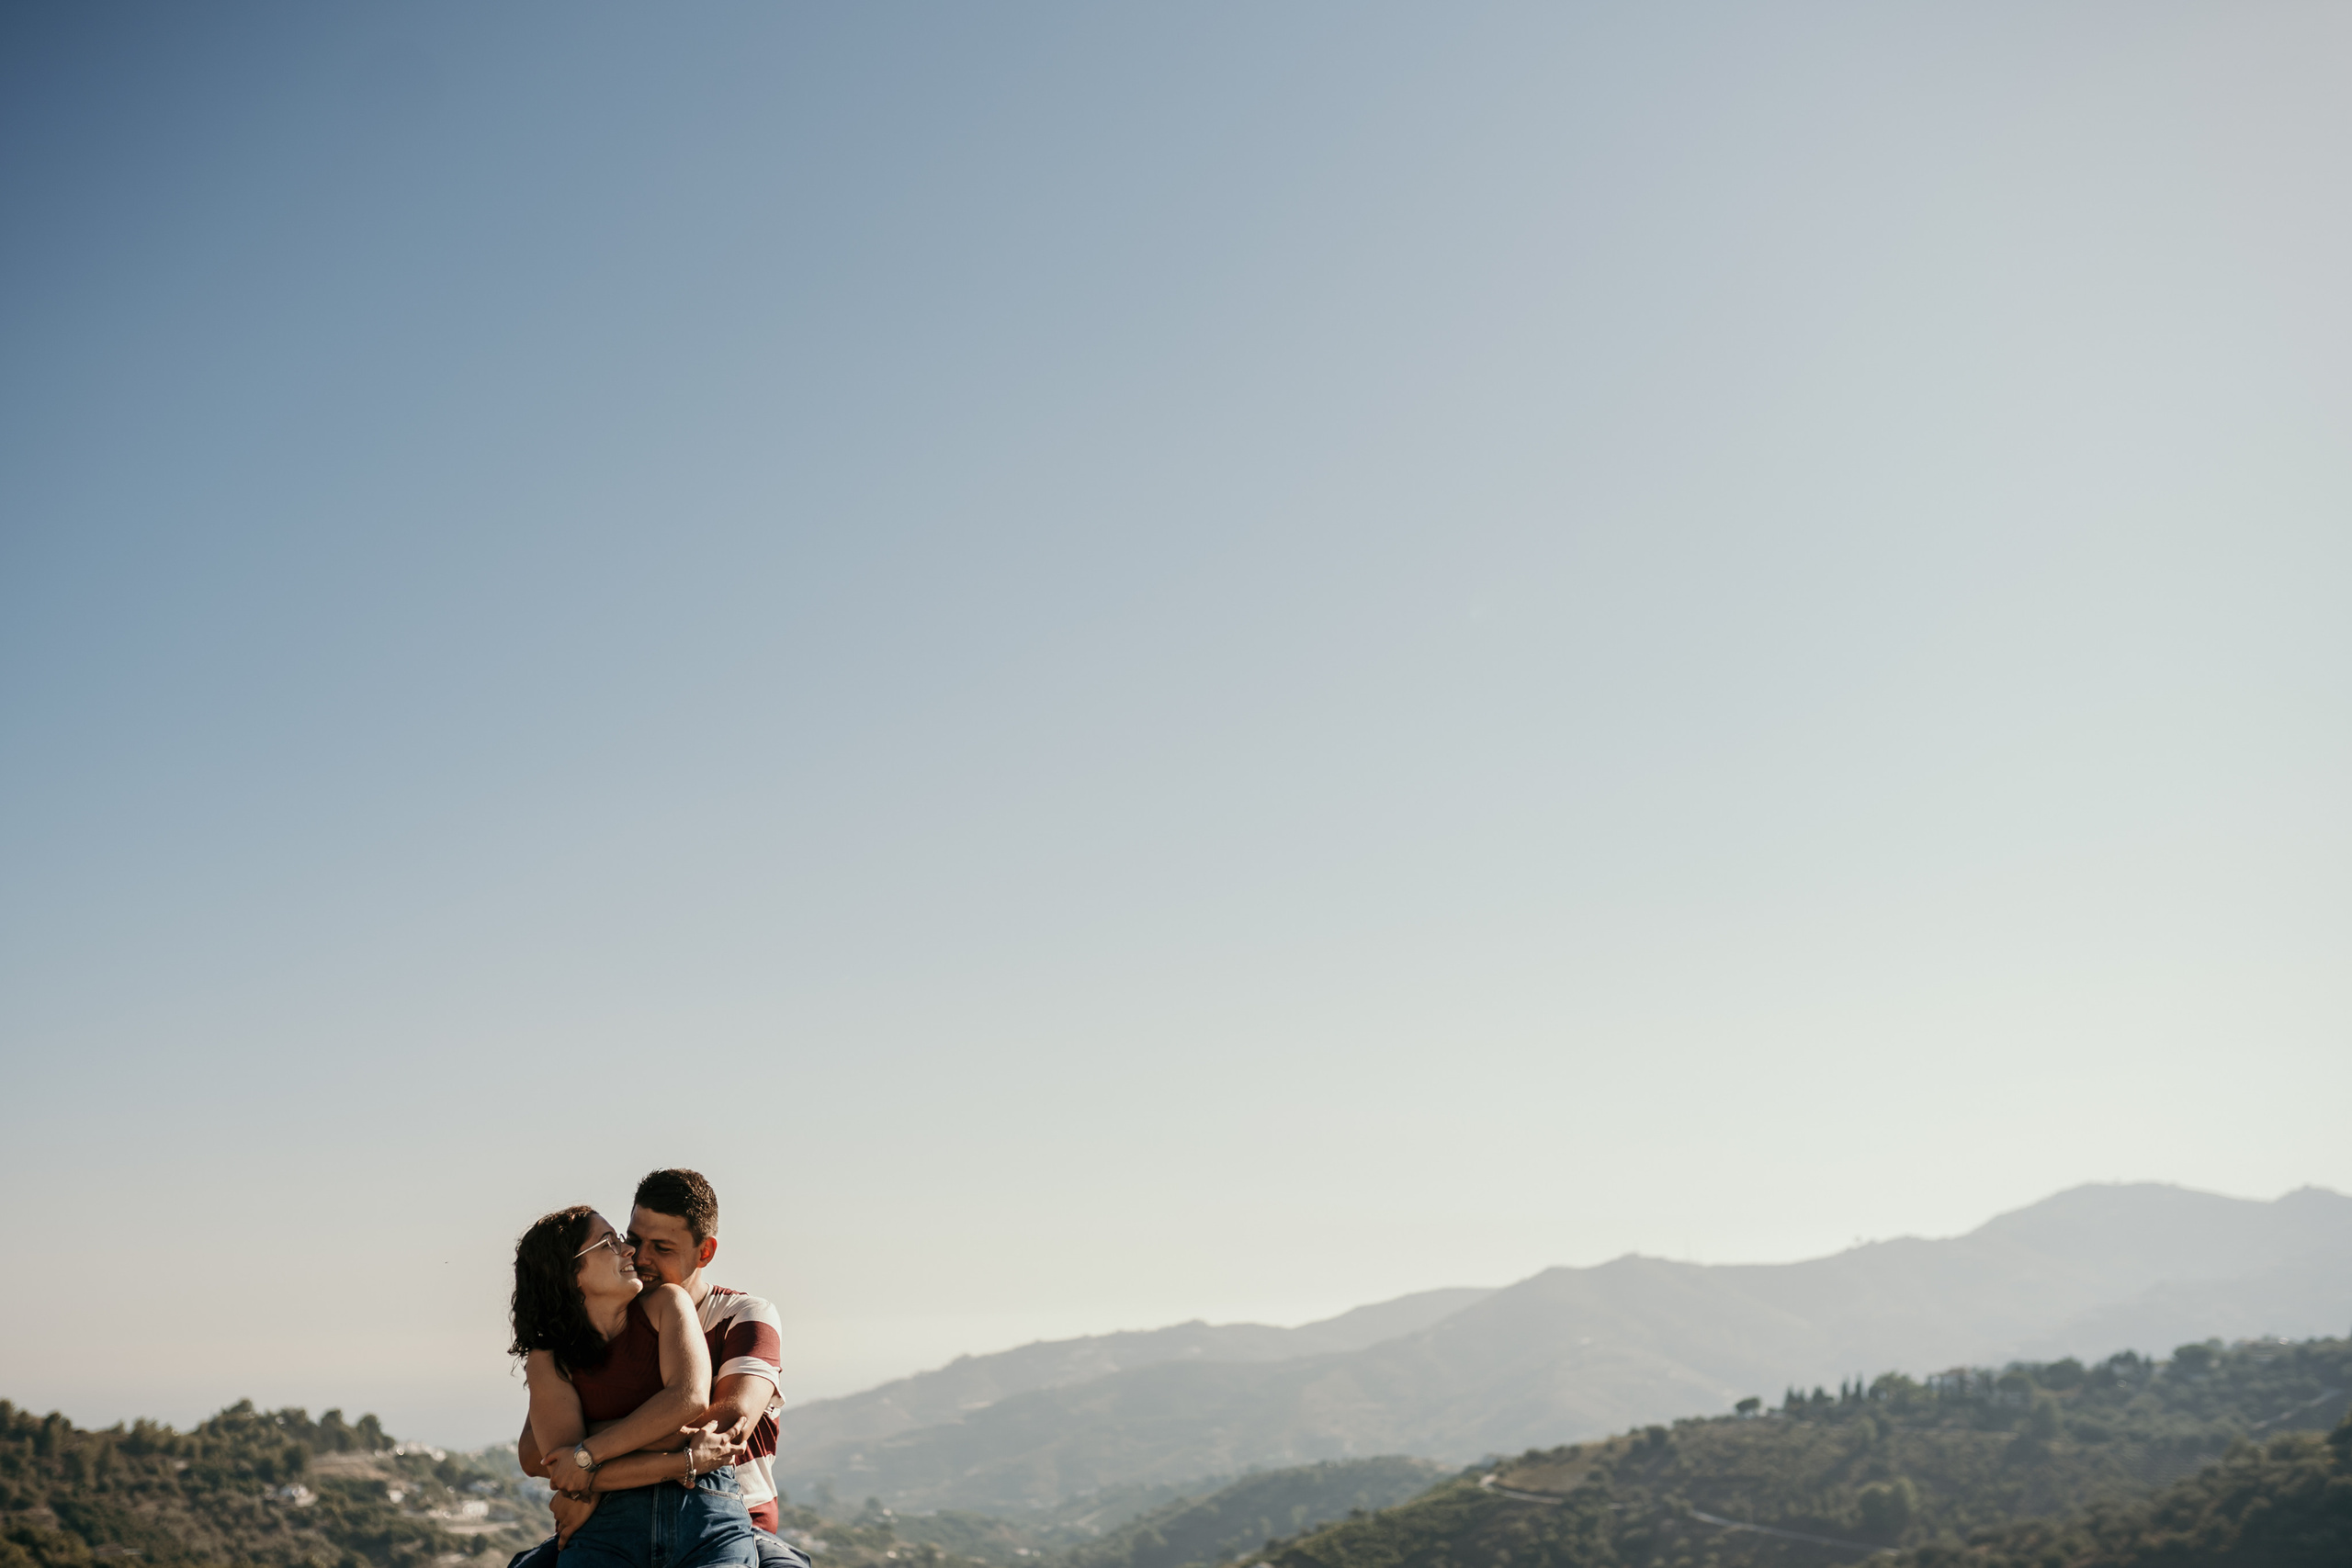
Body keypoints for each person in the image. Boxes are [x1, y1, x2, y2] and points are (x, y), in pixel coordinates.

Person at [514, 1171, 809, 1568]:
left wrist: (586, 1456)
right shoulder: (605, 1324)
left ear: (704, 1253)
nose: (639, 1255)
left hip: (732, 1513)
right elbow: (539, 1455)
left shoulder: (743, 1315)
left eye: (662, 1247)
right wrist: (584, 1464)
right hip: (616, 1507)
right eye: (633, 1240)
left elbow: (722, 1426)